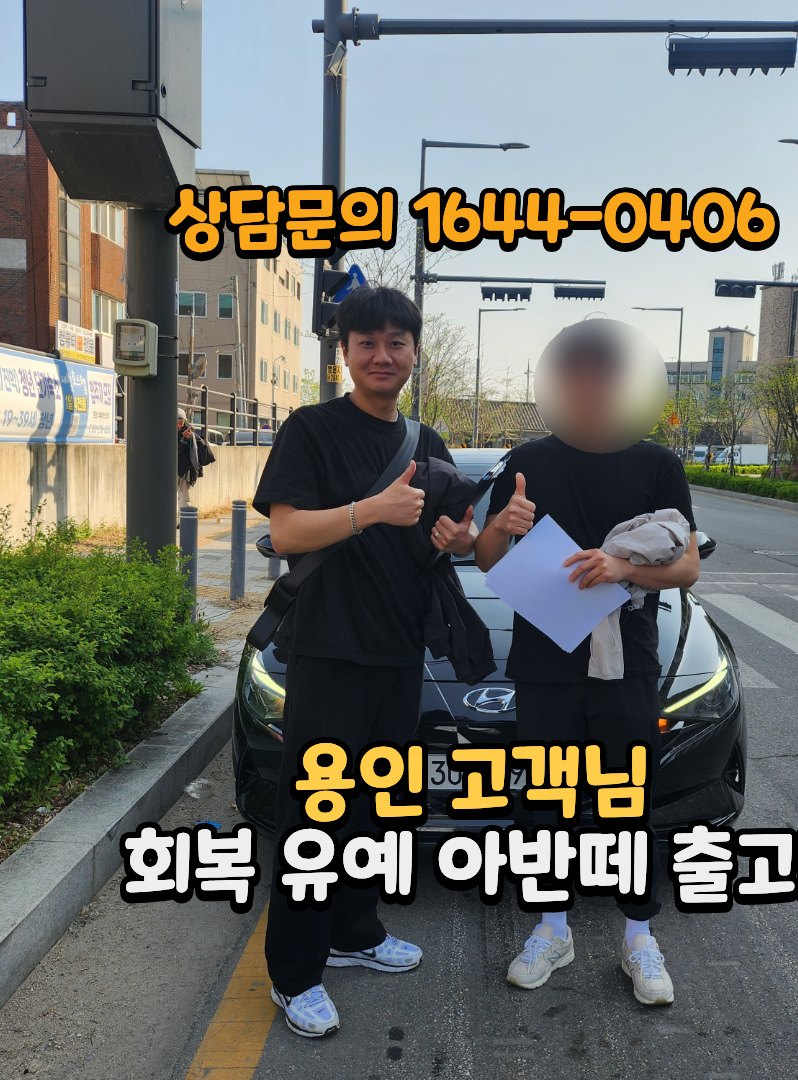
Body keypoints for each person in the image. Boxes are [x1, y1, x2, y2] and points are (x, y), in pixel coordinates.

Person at [252, 286, 478, 1039]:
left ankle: (355, 931)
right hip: (328, 650)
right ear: (344, 352)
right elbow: (286, 534)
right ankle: (294, 974)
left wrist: (457, 540)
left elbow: (450, 538)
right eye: (367, 343)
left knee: (375, 807)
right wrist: (368, 511)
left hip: (397, 652)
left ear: (414, 352)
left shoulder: (427, 439)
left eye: (396, 343)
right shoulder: (310, 429)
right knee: (315, 812)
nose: (383, 356)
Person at [474, 320, 700, 1006]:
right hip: (545, 658)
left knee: (626, 800)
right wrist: (500, 527)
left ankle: (639, 938)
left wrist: (623, 566)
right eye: (576, 375)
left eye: (602, 375)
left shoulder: (657, 465)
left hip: (626, 662)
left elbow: (687, 567)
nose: (589, 386)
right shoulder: (527, 460)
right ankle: (552, 929)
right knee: (547, 801)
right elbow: (487, 560)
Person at [176, 408, 214, 523]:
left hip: (185, 470)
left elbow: (203, 447)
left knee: (185, 496)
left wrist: (191, 439)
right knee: (171, 497)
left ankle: (184, 521)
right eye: (177, 422)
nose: (179, 425)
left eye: (181, 422)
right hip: (171, 469)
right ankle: (173, 520)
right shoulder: (166, 432)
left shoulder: (190, 433)